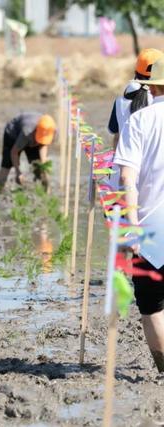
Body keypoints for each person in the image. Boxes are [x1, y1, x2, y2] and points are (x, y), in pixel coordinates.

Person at [114, 57, 164, 372]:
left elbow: (125, 180)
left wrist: (131, 228)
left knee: (152, 306)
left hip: (152, 232)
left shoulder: (140, 120)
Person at [108, 48, 163, 149]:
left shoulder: (120, 101)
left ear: (136, 72)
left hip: (124, 161)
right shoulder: (159, 102)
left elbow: (116, 135)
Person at [0, 113, 56, 191]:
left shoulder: (52, 130)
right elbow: (14, 152)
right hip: (13, 134)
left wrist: (43, 162)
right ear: (36, 131)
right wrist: (18, 172)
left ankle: (46, 190)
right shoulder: (27, 132)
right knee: (6, 165)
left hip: (31, 137)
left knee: (39, 165)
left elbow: (43, 145)